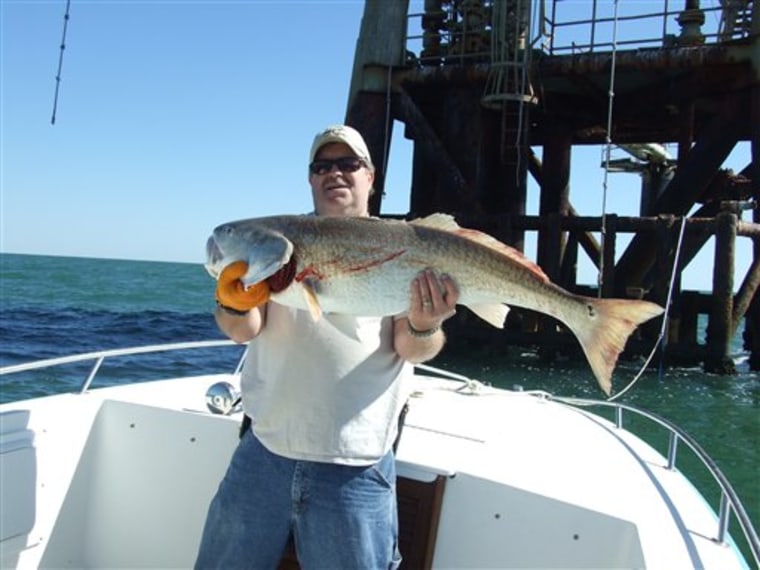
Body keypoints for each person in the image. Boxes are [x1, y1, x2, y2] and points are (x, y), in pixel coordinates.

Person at [194, 125, 459, 570]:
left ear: (370, 177)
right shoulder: (280, 248)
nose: (334, 173)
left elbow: (412, 349)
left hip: (356, 463)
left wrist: (424, 322)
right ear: (311, 179)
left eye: (348, 164)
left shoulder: (402, 245)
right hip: (264, 450)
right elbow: (243, 331)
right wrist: (231, 300)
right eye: (323, 166)